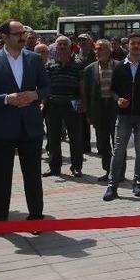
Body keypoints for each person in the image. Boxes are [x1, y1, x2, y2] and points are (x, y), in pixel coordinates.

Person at [0, 19, 50, 238]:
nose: (23, 36)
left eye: (24, 32)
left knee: (33, 176)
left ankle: (36, 218)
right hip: (2, 128)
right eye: (18, 33)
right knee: (0, 178)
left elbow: (47, 87)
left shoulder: (35, 59)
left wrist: (35, 94)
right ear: (5, 37)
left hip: (31, 127)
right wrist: (6, 99)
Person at [103, 33, 140, 201]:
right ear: (127, 46)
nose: (136, 46)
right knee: (118, 151)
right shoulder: (120, 66)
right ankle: (112, 186)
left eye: (138, 43)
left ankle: (137, 183)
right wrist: (117, 99)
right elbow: (113, 90)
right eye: (133, 43)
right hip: (124, 116)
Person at [44, 36, 85, 177]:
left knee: (75, 137)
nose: (61, 47)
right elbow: (46, 85)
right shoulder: (50, 65)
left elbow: (82, 85)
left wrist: (84, 102)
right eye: (59, 45)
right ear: (56, 47)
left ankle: (76, 167)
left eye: (64, 45)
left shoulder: (79, 64)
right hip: (53, 105)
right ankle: (54, 167)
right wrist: (43, 103)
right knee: (53, 137)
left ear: (70, 47)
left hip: (72, 105)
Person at [82, 39, 120, 182]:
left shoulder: (119, 66)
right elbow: (86, 92)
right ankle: (107, 170)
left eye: (101, 49)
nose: (97, 52)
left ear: (109, 51)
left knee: (117, 143)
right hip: (98, 110)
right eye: (96, 49)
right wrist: (88, 113)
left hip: (115, 108)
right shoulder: (89, 69)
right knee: (102, 143)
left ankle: (118, 172)